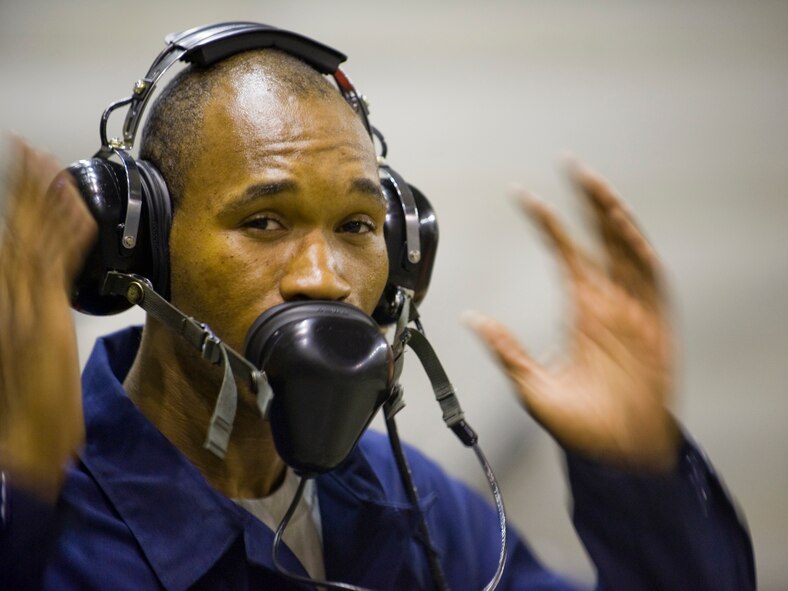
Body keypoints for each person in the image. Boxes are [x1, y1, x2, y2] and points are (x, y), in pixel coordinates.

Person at [0, 25, 754, 590]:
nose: (326, 277)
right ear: (142, 251)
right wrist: (21, 505)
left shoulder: (408, 503)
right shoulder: (38, 490)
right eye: (265, 222)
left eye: (357, 226)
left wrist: (640, 479)